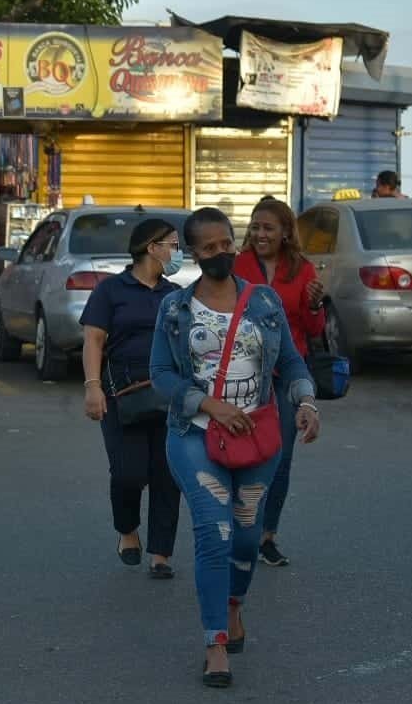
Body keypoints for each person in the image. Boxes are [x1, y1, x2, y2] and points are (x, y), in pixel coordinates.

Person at [150, 207, 319, 688]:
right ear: (195, 254)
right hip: (195, 436)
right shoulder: (176, 309)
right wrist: (208, 404)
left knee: (246, 536)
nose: (223, 253)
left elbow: (291, 361)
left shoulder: (263, 303)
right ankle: (215, 641)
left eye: (228, 243)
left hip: (258, 436)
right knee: (213, 532)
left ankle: (233, 603)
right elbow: (161, 375)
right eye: (210, 248)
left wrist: (307, 403)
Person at [80, 219, 182, 579]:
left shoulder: (173, 294)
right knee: (128, 473)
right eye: (172, 243)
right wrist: (93, 387)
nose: (176, 251)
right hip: (120, 394)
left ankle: (161, 554)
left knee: (167, 473)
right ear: (152, 247)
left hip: (167, 393)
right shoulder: (111, 290)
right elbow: (93, 340)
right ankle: (127, 531)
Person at [233, 197, 326, 569]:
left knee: (280, 458)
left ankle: (267, 535)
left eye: (268, 228)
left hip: (286, 374)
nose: (259, 234)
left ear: (286, 232)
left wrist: (316, 305)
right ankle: (241, 528)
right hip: (242, 372)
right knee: (240, 453)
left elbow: (312, 329)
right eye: (255, 226)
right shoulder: (238, 265)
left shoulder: (302, 270)